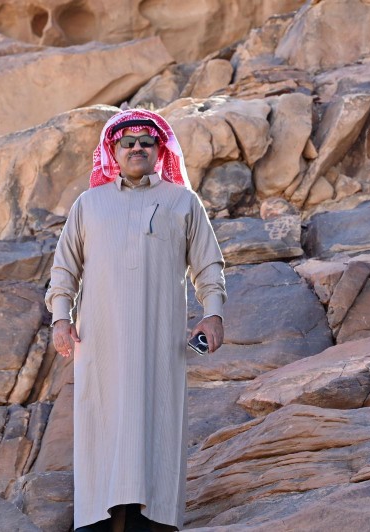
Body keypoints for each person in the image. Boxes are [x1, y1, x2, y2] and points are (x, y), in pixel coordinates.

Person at [45, 109, 226, 532]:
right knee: (101, 422)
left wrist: (213, 313)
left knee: (157, 421)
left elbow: (208, 264)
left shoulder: (183, 202)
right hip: (100, 339)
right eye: (128, 143)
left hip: (159, 339)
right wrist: (60, 318)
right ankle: (96, 520)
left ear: (160, 149)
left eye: (146, 142)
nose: (137, 148)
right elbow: (64, 268)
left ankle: (155, 518)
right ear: (114, 151)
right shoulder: (89, 204)